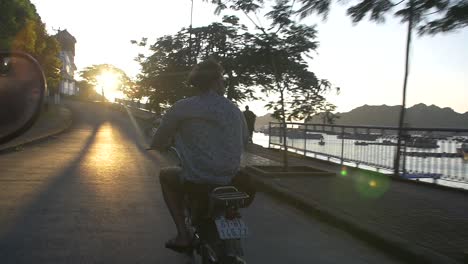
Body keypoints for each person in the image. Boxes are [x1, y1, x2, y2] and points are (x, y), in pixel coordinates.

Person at [149, 59, 249, 252]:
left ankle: (183, 235)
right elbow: (244, 140)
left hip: (199, 177)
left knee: (166, 175)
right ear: (216, 81)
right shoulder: (234, 110)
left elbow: (159, 139)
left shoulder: (183, 107)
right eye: (222, 80)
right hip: (230, 178)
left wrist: (156, 145)